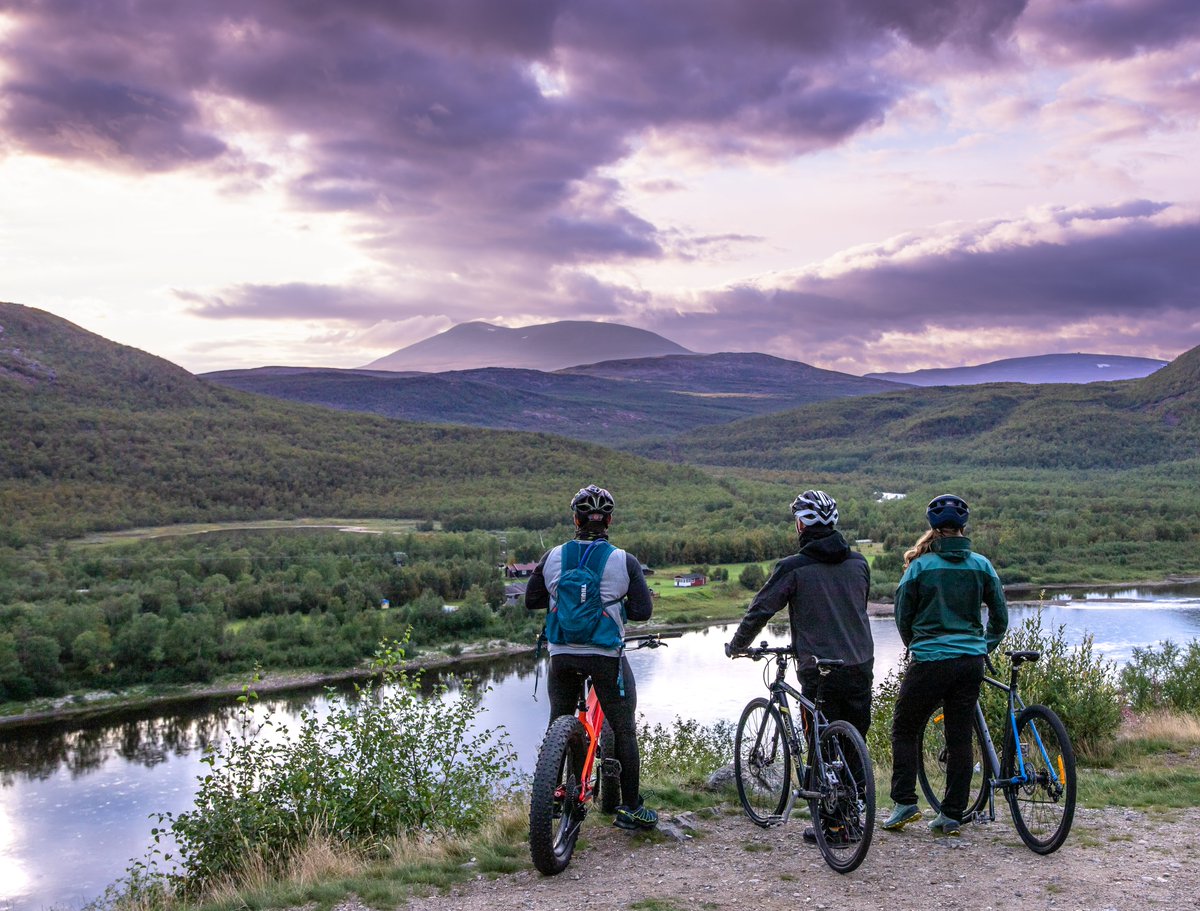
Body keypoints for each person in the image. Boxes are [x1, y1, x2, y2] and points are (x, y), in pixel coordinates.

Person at [725, 489, 874, 844]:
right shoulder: (859, 563)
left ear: (801, 525)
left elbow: (761, 609)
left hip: (819, 669)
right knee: (852, 741)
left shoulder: (794, 568)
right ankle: (851, 816)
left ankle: (835, 826)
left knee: (820, 741)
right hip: (860, 664)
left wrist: (738, 645)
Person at [525, 484, 657, 830]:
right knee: (625, 729)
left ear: (575, 519)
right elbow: (643, 611)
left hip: (562, 654)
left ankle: (553, 791)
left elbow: (532, 600)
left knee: (559, 718)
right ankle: (631, 808)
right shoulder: (623, 560)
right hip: (604, 656)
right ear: (609, 521)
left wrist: (565, 601)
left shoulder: (552, 556)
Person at [882, 493, 1008, 837]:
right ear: (963, 527)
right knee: (959, 736)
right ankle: (951, 814)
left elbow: (902, 616)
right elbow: (1000, 617)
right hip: (970, 662)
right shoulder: (982, 565)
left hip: (930, 661)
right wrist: (983, 646)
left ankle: (905, 802)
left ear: (933, 528)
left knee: (906, 728)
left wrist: (917, 646)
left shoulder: (919, 567)